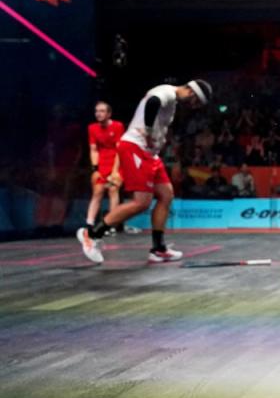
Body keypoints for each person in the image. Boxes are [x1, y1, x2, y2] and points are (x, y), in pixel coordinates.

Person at [76, 79, 212, 264]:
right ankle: (91, 234)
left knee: (166, 195)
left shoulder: (172, 102)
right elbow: (152, 103)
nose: (193, 106)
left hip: (150, 155)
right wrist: (148, 131)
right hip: (135, 148)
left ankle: (158, 249)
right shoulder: (166, 92)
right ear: (191, 92)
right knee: (141, 203)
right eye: (196, 101)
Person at [80, 102, 124, 234]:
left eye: (102, 111)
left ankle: (111, 224)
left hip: (117, 162)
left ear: (109, 113)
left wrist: (115, 171)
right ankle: (89, 224)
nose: (98, 114)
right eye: (96, 111)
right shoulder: (92, 128)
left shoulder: (118, 126)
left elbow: (119, 150)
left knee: (112, 190)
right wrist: (95, 169)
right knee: (97, 192)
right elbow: (94, 150)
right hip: (102, 164)